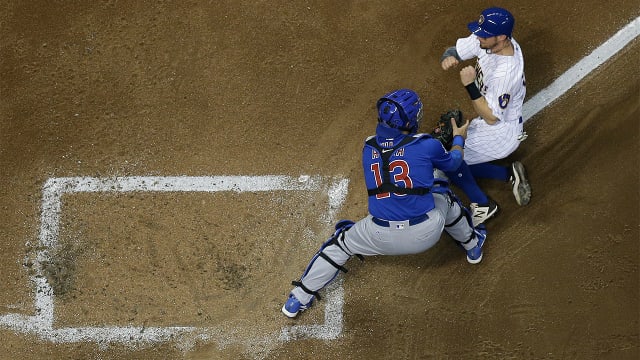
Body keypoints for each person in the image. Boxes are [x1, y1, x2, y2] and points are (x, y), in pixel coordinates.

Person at [282, 88, 487, 318]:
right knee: (443, 192)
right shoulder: (427, 145)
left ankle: (297, 299)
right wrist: (458, 138)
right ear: (410, 120)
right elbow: (454, 163)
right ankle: (473, 247)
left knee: (340, 244)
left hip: (377, 235)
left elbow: (396, 163)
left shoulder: (368, 146)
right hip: (425, 233)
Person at [439, 7, 532, 226]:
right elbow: (455, 50)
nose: (478, 36)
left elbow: (491, 117)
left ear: (501, 38)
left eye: (484, 34)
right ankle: (509, 173)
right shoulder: (489, 39)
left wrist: (470, 85)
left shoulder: (506, 73)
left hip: (501, 133)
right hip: (490, 123)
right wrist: (449, 56)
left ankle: (483, 204)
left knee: (447, 162)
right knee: (452, 153)